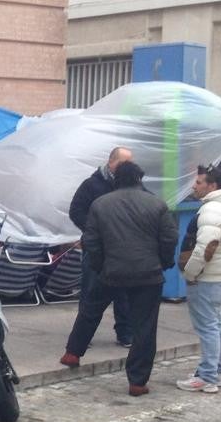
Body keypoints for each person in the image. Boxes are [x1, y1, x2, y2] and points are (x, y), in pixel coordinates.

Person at [59, 162, 177, 396]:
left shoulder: (100, 204)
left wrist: (100, 265)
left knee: (90, 308)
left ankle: (73, 352)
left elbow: (90, 240)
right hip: (147, 274)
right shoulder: (157, 204)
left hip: (110, 270)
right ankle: (137, 381)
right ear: (139, 179)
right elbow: (170, 238)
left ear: (116, 180)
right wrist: (163, 263)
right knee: (144, 327)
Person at [176, 166, 221, 393]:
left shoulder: (213, 209)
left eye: (199, 183)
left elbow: (206, 247)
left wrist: (190, 273)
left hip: (207, 277)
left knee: (208, 327)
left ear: (212, 186)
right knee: (216, 324)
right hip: (219, 276)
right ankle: (216, 371)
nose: (194, 186)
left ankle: (208, 376)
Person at [67, 146, 135, 348]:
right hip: (97, 248)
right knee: (90, 291)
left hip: (121, 250)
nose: (128, 167)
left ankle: (125, 334)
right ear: (112, 162)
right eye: (124, 163)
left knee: (123, 294)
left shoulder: (131, 185)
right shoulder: (92, 185)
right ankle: (82, 337)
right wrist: (95, 230)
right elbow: (76, 211)